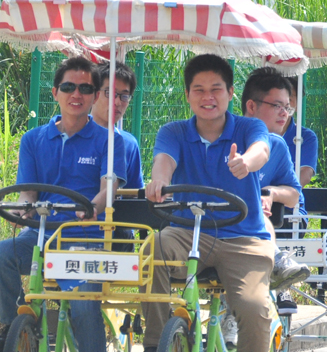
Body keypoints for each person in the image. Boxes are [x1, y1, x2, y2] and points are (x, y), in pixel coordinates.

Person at [143, 55, 273, 352]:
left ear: (230, 93)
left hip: (245, 237)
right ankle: (157, 342)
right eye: (199, 90)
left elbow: (261, 150)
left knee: (254, 308)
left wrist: (245, 162)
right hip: (187, 232)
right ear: (188, 95)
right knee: (153, 248)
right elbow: (163, 162)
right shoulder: (173, 131)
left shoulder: (248, 127)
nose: (208, 97)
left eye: (216, 89)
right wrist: (159, 182)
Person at [0, 56, 126, 351]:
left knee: (82, 308)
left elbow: (109, 188)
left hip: (87, 237)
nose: (76, 94)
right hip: (42, 233)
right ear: (55, 92)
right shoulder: (33, 139)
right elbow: (28, 194)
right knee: (2, 254)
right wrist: (21, 208)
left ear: (96, 97)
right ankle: (13, 327)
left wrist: (91, 207)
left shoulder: (110, 141)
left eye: (85, 88)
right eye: (68, 86)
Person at [240, 68, 310, 320]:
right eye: (277, 106)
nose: (284, 113)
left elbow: (293, 195)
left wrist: (270, 193)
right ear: (251, 106)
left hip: (255, 228)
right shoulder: (226, 135)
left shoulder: (278, 145)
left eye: (288, 107)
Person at [91, 61, 143, 190]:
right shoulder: (72, 136)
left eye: (124, 96)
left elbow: (135, 196)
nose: (117, 102)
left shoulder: (129, 144)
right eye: (110, 93)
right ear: (94, 94)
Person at [283, 76, 319, 187]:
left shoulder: (305, 137)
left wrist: (279, 194)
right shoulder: (257, 133)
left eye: (290, 98)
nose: (284, 105)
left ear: (298, 103)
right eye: (277, 100)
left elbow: (305, 174)